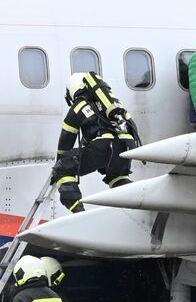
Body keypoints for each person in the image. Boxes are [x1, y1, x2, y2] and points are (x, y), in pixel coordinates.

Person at [52, 71, 142, 214]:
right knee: (117, 177)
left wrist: (59, 165)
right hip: (126, 147)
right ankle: (139, 203)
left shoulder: (79, 105)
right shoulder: (113, 103)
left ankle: (78, 212)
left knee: (63, 169)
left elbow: (66, 139)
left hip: (103, 147)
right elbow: (132, 127)